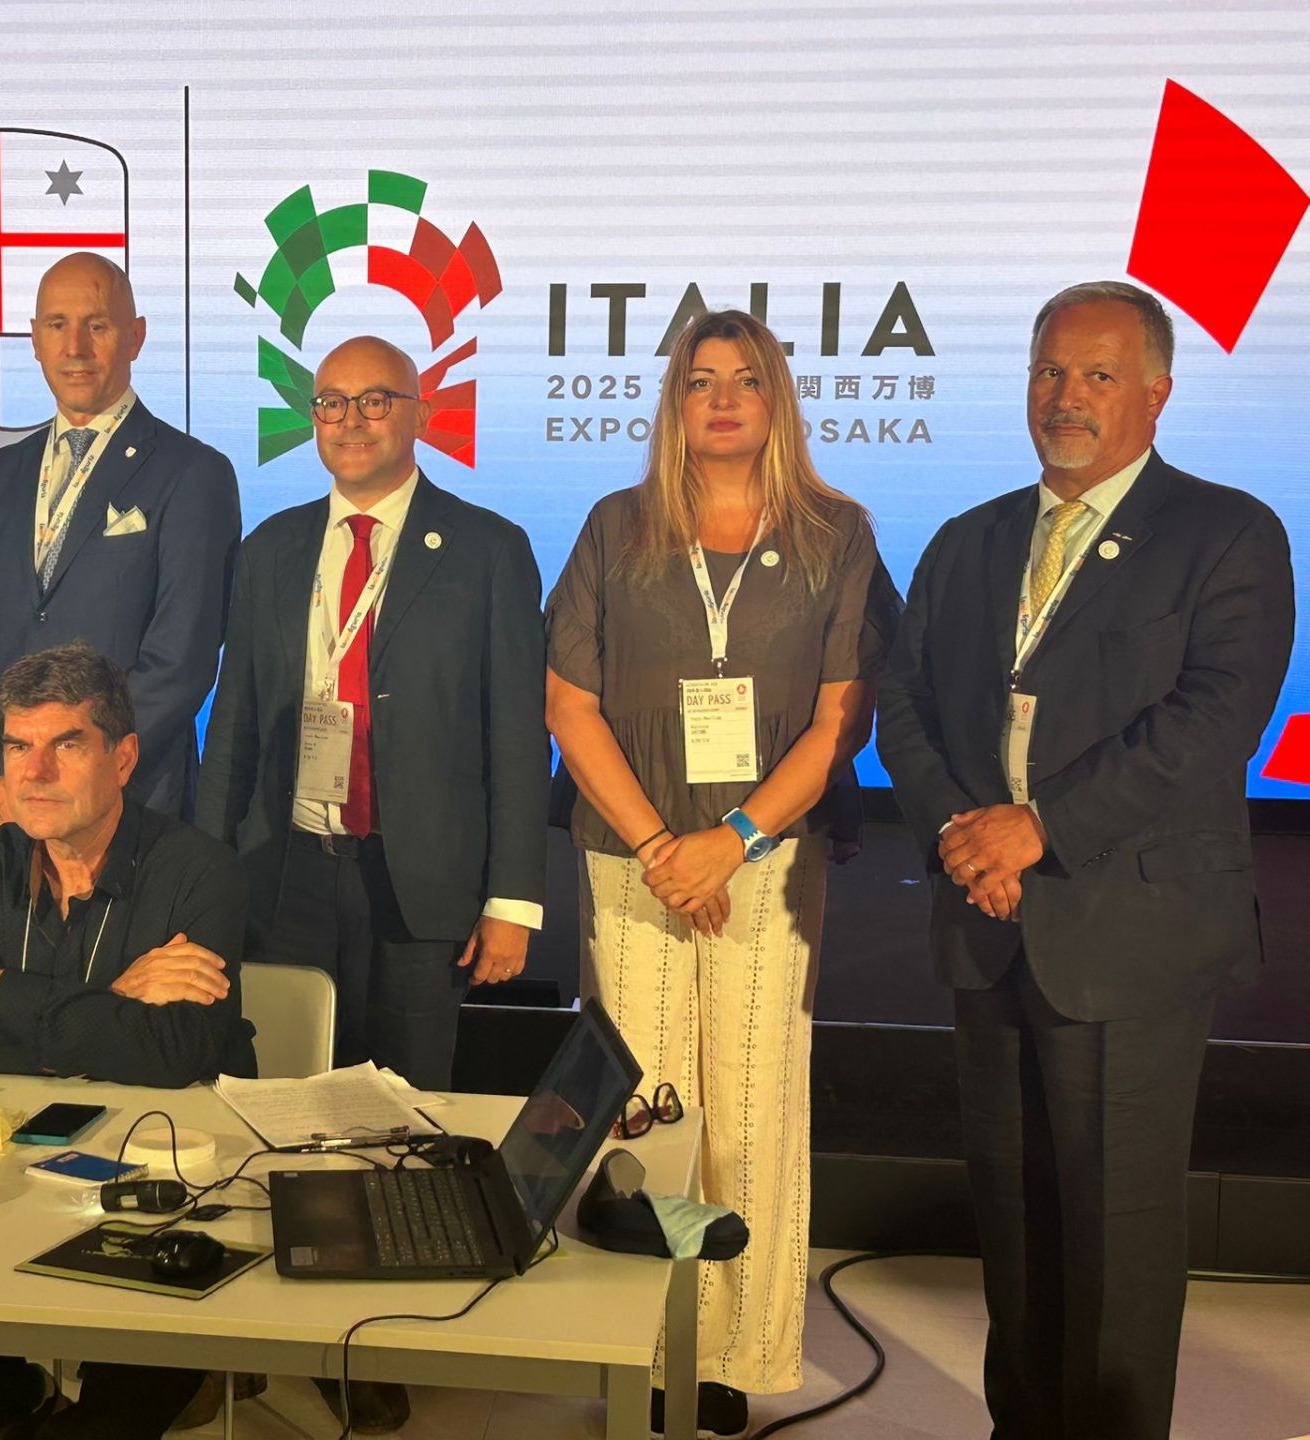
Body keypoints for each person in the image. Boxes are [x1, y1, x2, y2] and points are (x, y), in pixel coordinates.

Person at [876, 280, 1294, 1440]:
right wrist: (964, 837)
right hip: (988, 923)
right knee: (1014, 1219)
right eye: (1049, 372)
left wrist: (1040, 826)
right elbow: (904, 705)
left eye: (1098, 375)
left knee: (1117, 1230)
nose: (1067, 396)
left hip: (1130, 936)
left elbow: (1214, 722)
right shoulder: (969, 540)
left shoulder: (1227, 532)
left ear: (1157, 393)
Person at [545, 309, 899, 1437]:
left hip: (769, 861)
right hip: (631, 860)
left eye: (746, 379)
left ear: (777, 396)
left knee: (751, 1112)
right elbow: (569, 704)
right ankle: (651, 1349)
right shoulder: (617, 527)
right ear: (675, 403)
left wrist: (729, 841)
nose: (724, 399)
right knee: (651, 1114)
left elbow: (842, 719)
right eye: (701, 381)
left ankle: (737, 1352)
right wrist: (663, 848)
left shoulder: (839, 534)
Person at [196, 334, 549, 1434]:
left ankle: (377, 1335)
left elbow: (516, 733)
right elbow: (234, 723)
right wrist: (204, 878)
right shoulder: (271, 548)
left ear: (421, 409)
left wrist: (512, 899)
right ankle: (267, 1317)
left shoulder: (487, 549)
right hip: (287, 869)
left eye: (375, 400)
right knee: (284, 1101)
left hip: (420, 875)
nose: (350, 422)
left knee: (404, 1113)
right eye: (331, 404)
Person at [0, 642, 252, 1438]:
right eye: (18, 747)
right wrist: (111, 1005)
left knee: (155, 1337)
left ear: (124, 757)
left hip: (160, 1172)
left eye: (66, 745)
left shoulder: (199, 871)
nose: (34, 772)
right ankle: (14, 1408)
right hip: (1, 1161)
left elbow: (174, 1054)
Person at [0, 252, 240, 825]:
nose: (75, 347)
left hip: (127, 805)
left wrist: (75, 770)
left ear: (136, 337)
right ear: (34, 339)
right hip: (5, 811)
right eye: (57, 325)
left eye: (97, 326)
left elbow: (182, 659)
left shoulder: (192, 472)